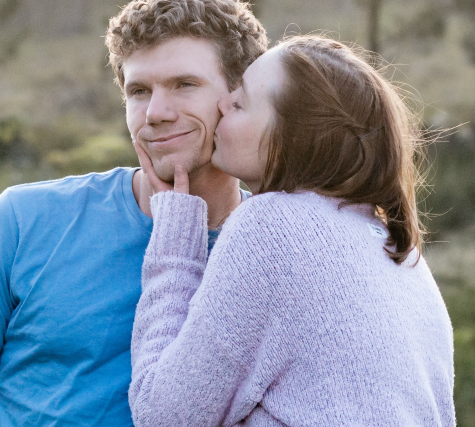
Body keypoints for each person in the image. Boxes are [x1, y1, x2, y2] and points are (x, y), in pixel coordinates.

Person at [0, 1, 267, 426]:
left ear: (241, 97)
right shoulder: (21, 221)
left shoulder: (276, 253)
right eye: (139, 91)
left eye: (184, 84)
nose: (156, 113)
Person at [129, 35, 456, 426]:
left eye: (239, 103)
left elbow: (163, 415)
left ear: (289, 138)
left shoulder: (272, 227)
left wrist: (176, 241)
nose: (221, 105)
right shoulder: (401, 254)